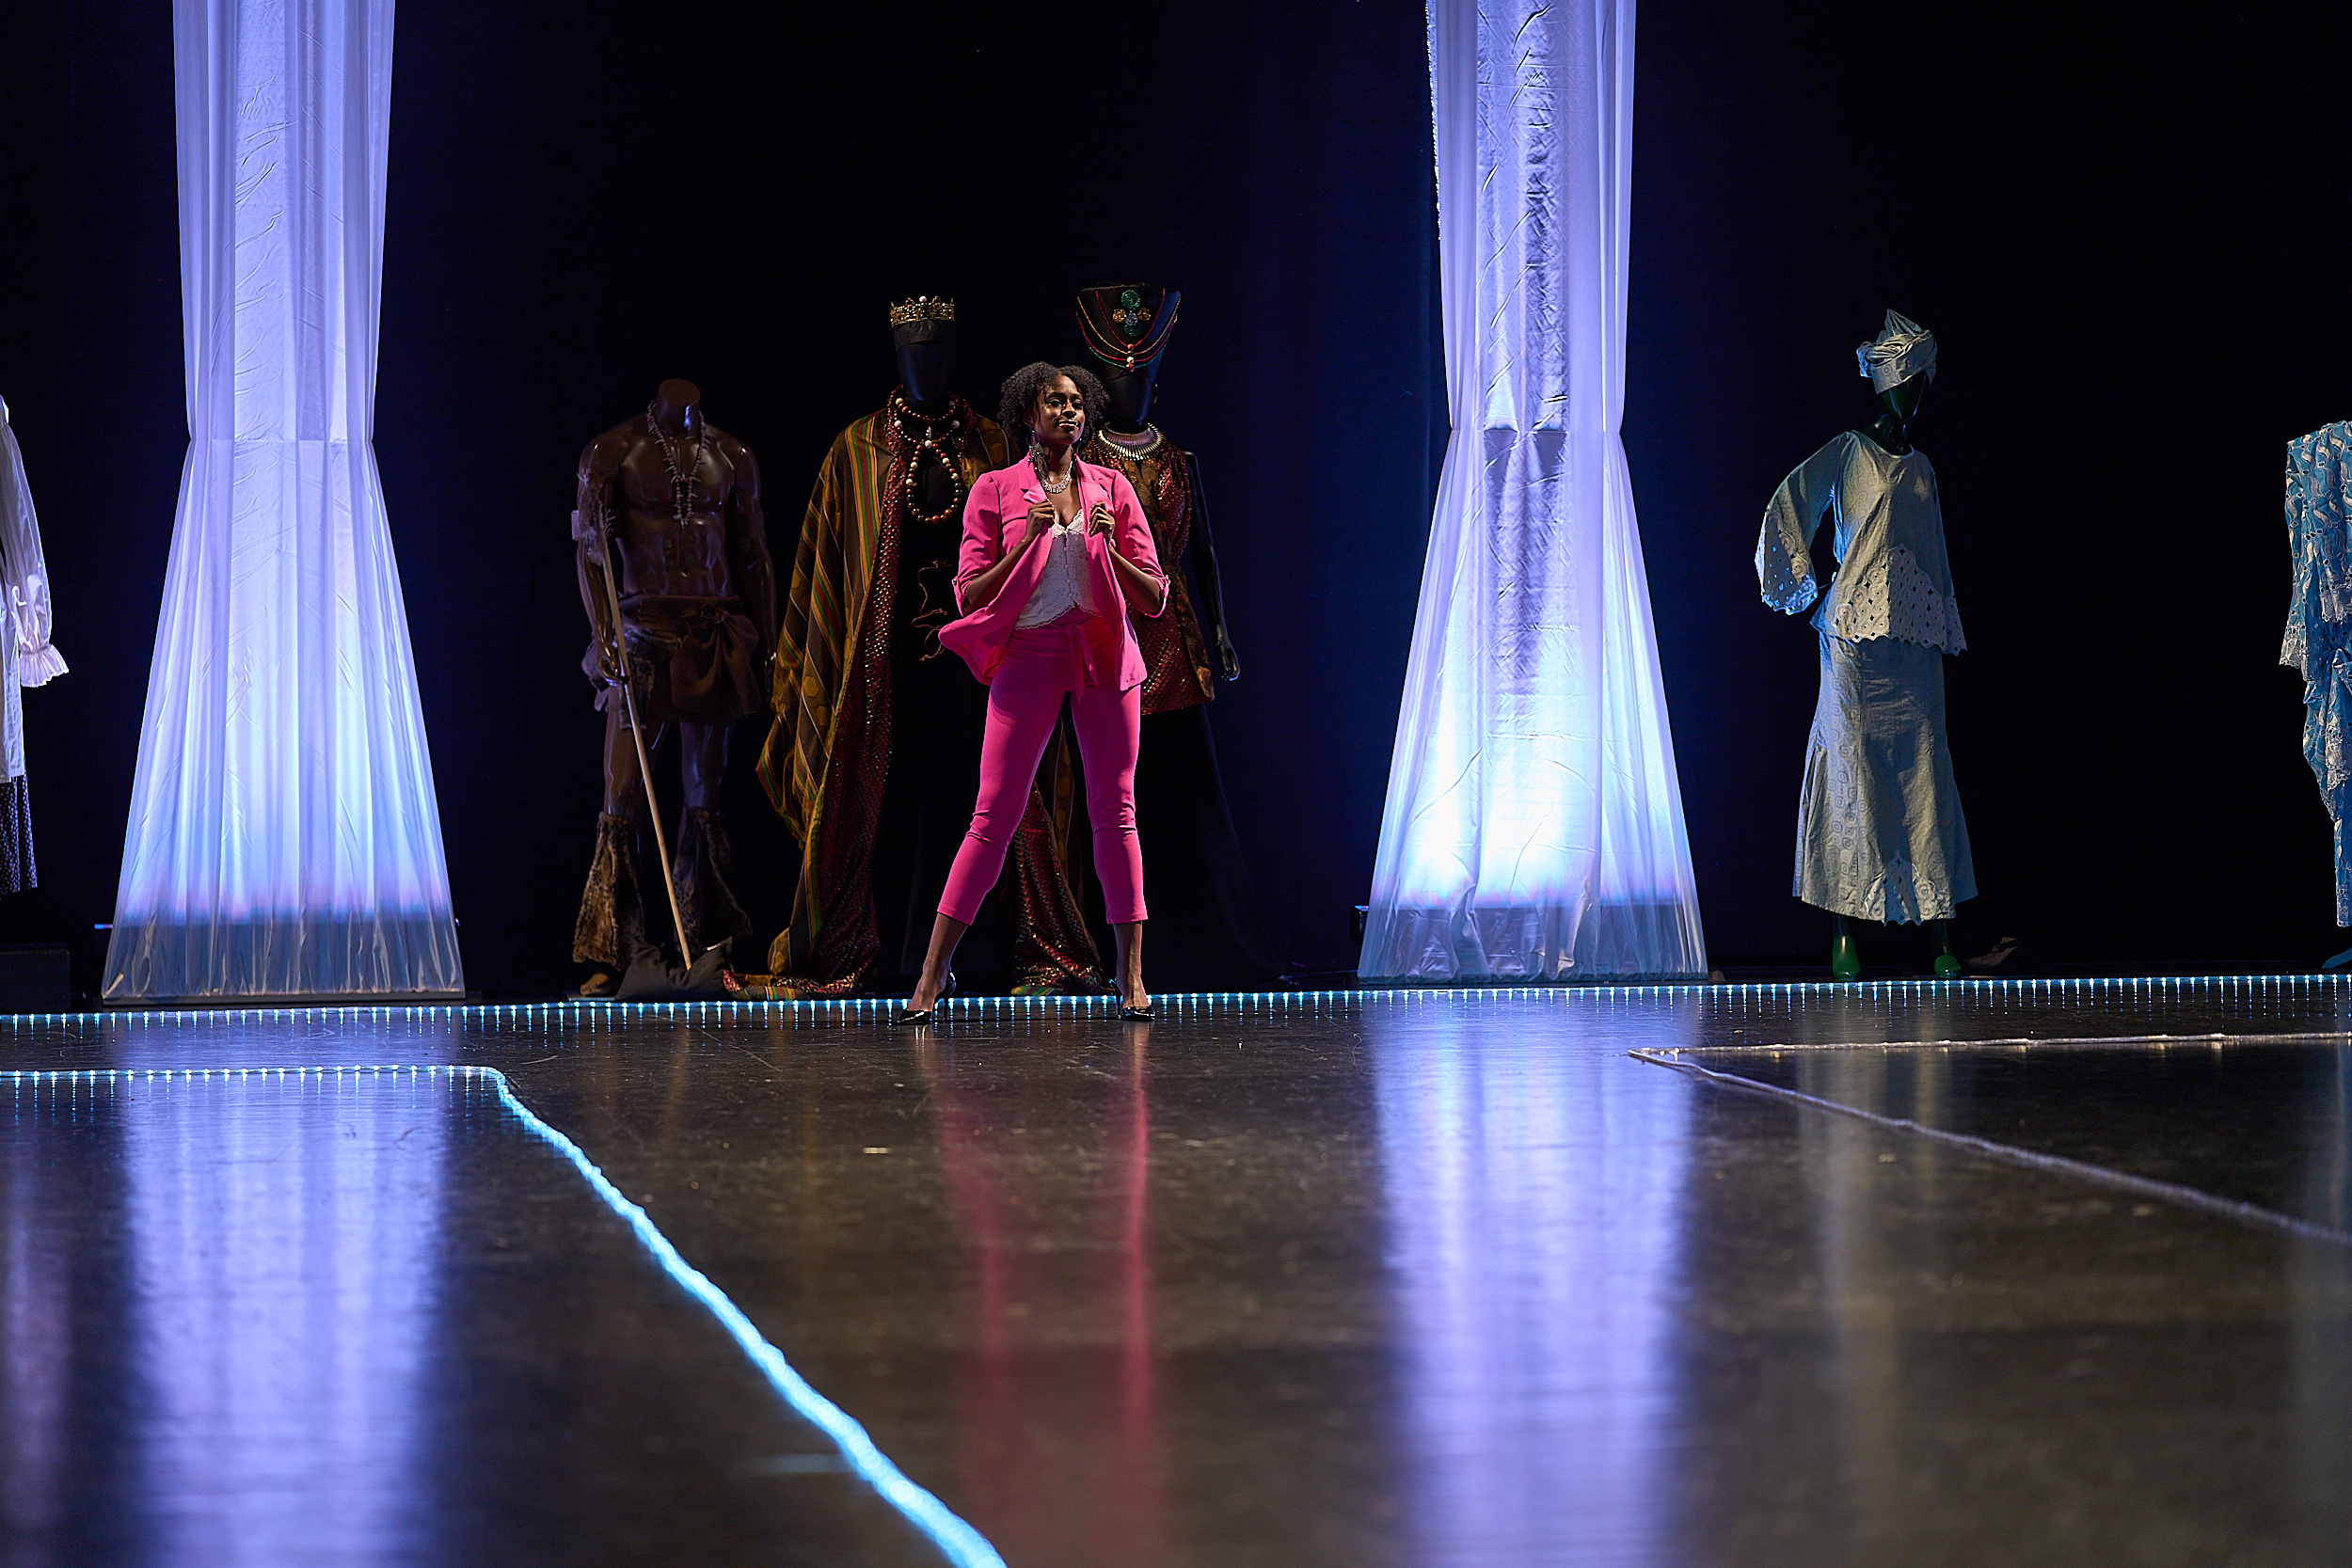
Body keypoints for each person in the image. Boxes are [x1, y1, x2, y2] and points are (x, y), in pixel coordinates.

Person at [902, 364, 1169, 1022]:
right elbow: (969, 594)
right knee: (992, 814)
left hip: (1103, 652)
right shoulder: (995, 489)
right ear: (1029, 412)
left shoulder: (1112, 488)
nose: (1068, 412)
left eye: (1077, 403)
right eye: (1055, 401)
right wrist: (1024, 540)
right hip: (1030, 653)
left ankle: (1131, 975)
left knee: (1117, 811)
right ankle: (934, 974)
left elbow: (1155, 597)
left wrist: (1112, 547)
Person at [1756, 311, 1974, 980]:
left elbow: (1935, 554)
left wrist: (1943, 617)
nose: (1914, 395)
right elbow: (1791, 500)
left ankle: (1938, 927)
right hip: (1854, 637)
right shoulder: (1849, 451)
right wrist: (1801, 583)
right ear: (1886, 383)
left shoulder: (1923, 466)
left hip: (1915, 637)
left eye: (1920, 384)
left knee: (1923, 769)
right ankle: (1845, 928)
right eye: (1906, 383)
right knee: (1851, 771)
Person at [570, 380, 774, 989]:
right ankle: (613, 950)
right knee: (624, 790)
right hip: (641, 632)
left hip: (711, 630)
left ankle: (704, 939)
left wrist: (768, 643)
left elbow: (753, 552)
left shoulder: (733, 455)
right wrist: (603, 631)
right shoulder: (611, 451)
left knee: (704, 789)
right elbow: (589, 549)